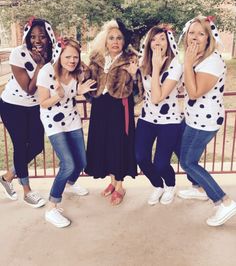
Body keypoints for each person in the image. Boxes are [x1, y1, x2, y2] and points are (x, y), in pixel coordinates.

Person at [177, 15, 236, 226]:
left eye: (201, 33)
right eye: (191, 32)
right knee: (183, 151)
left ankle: (223, 201)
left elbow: (193, 92)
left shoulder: (212, 61)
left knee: (187, 162)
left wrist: (186, 64)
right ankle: (198, 188)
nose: (195, 37)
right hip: (194, 118)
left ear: (209, 38)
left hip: (205, 121)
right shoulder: (199, 59)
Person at [37, 37, 96, 227]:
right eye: (68, 57)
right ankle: (52, 206)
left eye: (76, 57)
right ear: (59, 55)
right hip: (54, 123)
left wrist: (78, 91)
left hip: (72, 120)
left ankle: (69, 183)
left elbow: (72, 93)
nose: (72, 61)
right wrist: (58, 96)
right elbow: (44, 103)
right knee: (69, 164)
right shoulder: (47, 72)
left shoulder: (77, 72)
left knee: (82, 162)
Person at [85, 19, 143, 206]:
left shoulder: (130, 60)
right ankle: (111, 181)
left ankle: (119, 187)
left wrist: (135, 75)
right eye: (111, 38)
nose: (115, 41)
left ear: (124, 41)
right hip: (100, 108)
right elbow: (87, 82)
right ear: (105, 41)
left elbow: (139, 92)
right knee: (104, 144)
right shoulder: (97, 60)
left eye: (119, 38)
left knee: (119, 145)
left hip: (120, 108)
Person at [0, 17, 55, 208]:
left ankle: (7, 177)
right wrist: (39, 66)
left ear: (49, 37)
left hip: (34, 107)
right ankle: (26, 190)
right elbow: (29, 89)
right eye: (33, 37)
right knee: (20, 146)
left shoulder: (52, 54)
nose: (37, 40)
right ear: (27, 38)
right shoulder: (18, 53)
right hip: (13, 105)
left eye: (42, 36)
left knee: (37, 145)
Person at [135, 24, 183, 206]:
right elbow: (140, 92)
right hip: (147, 119)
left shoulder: (175, 65)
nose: (157, 42)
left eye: (162, 38)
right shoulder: (143, 63)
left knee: (161, 163)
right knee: (140, 158)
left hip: (169, 121)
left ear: (168, 42)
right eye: (153, 39)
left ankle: (170, 185)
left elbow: (157, 97)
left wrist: (156, 68)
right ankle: (158, 185)